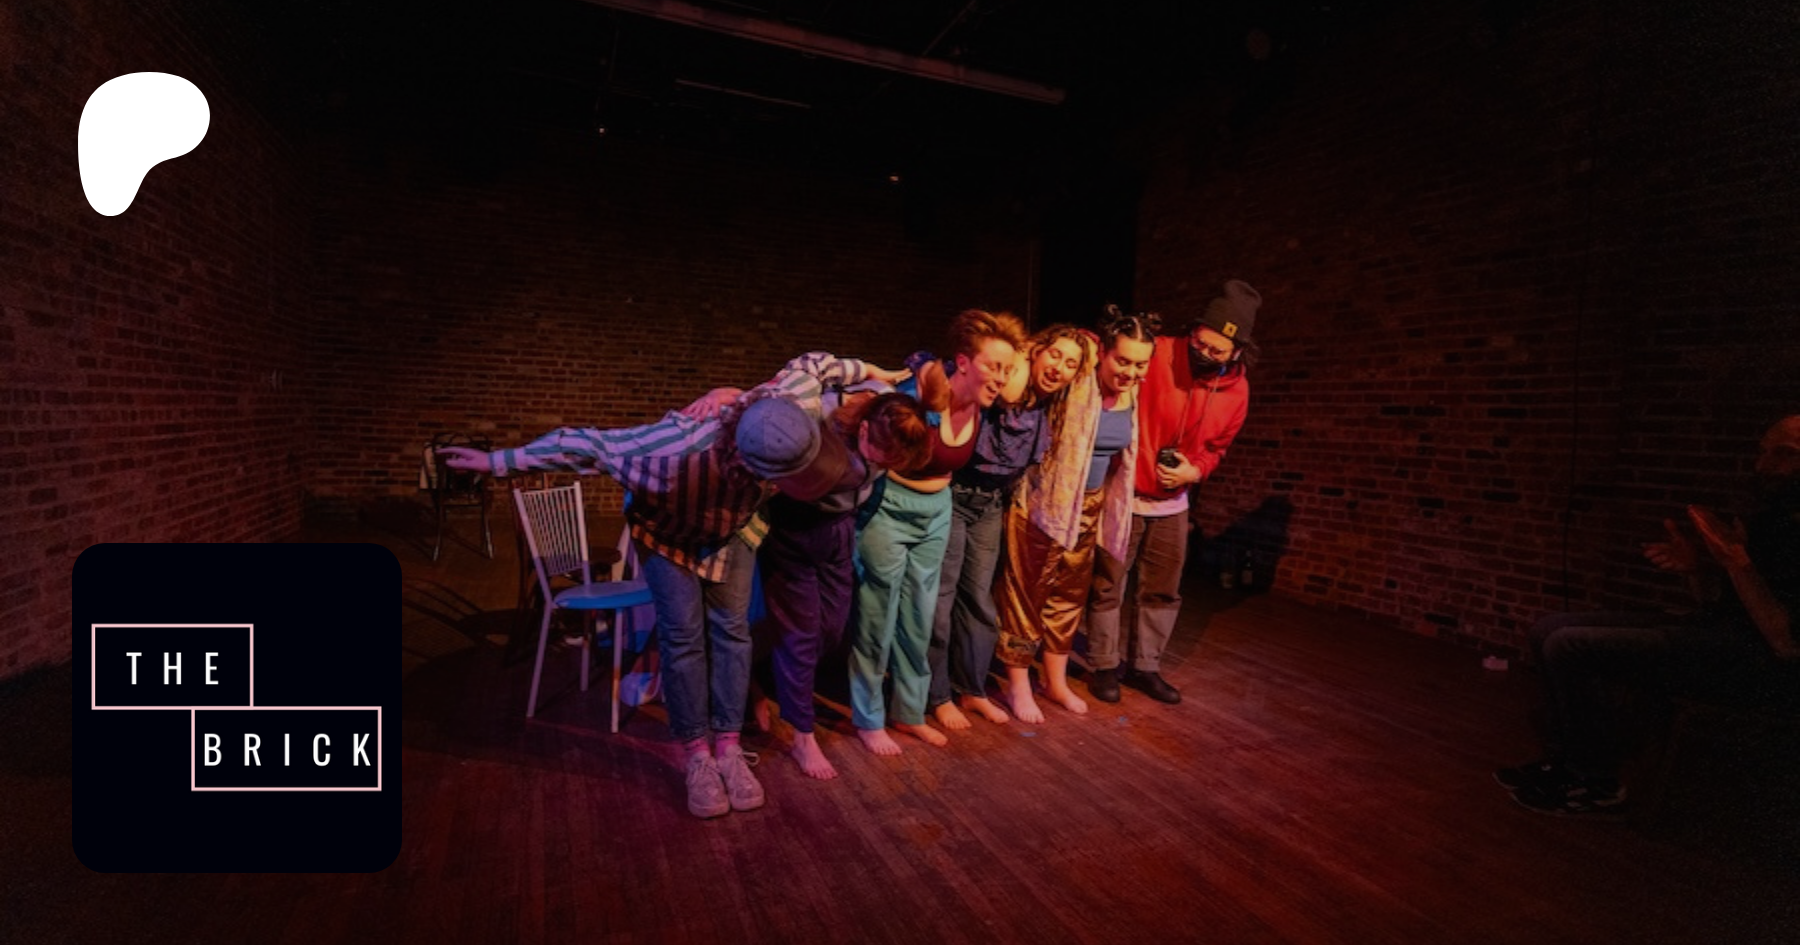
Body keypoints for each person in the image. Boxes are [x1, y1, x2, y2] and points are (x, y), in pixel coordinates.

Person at [440, 351, 908, 818]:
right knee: (684, 638)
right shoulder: (669, 451)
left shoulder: (793, 400)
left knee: (733, 634)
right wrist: (494, 461)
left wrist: (875, 371)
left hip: (732, 531)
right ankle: (697, 755)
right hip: (667, 536)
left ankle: (728, 747)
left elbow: (815, 363)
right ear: (755, 468)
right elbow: (582, 444)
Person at [1496, 415, 1800, 815]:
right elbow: (1716, 602)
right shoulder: (1775, 520)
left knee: (1568, 645)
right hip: (1722, 632)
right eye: (1763, 452)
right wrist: (1695, 569)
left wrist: (1737, 563)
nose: (1763, 465)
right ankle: (1568, 759)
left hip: (1764, 667)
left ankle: (1594, 779)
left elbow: (1785, 643)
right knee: (1547, 628)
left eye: (1784, 454)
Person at [850, 309, 1027, 755]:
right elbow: (864, 416)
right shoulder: (919, 394)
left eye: (1007, 369)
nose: (1002, 377)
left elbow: (1020, 377)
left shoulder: (982, 402)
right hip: (890, 507)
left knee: (920, 617)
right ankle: (868, 718)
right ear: (962, 362)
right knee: (877, 617)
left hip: (937, 510)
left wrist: (1006, 363)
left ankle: (909, 713)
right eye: (993, 366)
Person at [1086, 281, 1260, 706]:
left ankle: (1145, 666)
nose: (1204, 352)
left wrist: (1194, 470)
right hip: (1126, 492)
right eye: (1200, 341)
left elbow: (1217, 449)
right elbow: (1107, 349)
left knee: (1163, 588)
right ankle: (1103, 664)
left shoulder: (1237, 391)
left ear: (1237, 352)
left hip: (1173, 504)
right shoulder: (1159, 352)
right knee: (1109, 583)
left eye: (1217, 351)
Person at [753, 392, 932, 779]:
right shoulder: (825, 436)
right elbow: (793, 385)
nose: (884, 463)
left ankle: (769, 678)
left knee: (832, 629)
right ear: (863, 429)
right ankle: (802, 736)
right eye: (882, 453)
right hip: (795, 534)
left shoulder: (885, 423)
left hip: (839, 530)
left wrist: (871, 370)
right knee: (801, 635)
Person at [993, 310, 1155, 723]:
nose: (1131, 372)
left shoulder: (1133, 395)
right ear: (1103, 355)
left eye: (1140, 364)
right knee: (1026, 594)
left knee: (1069, 596)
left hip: (1089, 506)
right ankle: (1018, 683)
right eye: (1123, 361)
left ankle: (1055, 681)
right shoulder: (1077, 380)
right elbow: (1021, 375)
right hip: (1044, 501)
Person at [927, 325, 1091, 729]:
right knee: (941, 600)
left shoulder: (1049, 406)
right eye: (1054, 355)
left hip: (991, 504)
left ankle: (972, 689)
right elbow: (942, 371)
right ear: (1036, 352)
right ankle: (937, 695)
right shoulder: (1003, 386)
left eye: (1071, 363)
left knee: (979, 601)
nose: (1059, 367)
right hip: (954, 496)